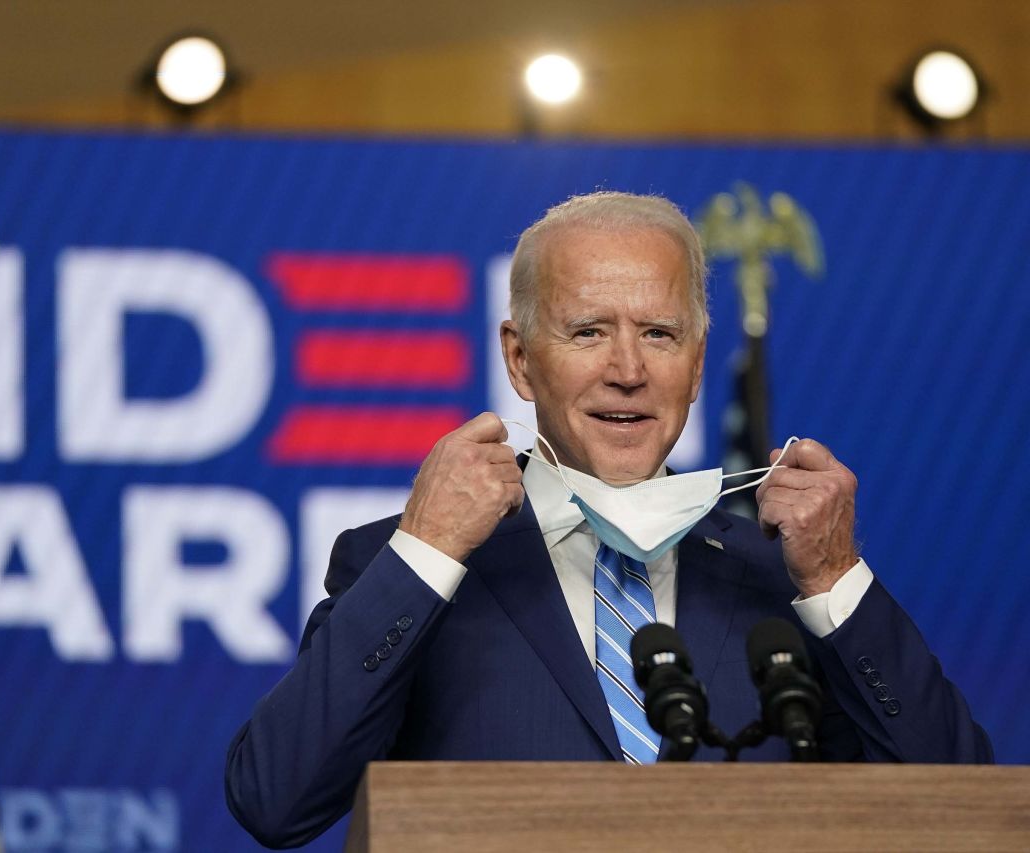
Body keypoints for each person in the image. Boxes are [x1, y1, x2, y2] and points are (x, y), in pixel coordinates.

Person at [224, 191, 992, 849]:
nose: (627, 369)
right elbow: (276, 799)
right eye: (588, 331)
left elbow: (967, 815)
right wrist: (426, 553)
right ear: (521, 361)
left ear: (695, 364)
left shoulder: (781, 573)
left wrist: (832, 581)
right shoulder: (407, 565)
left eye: (659, 333)